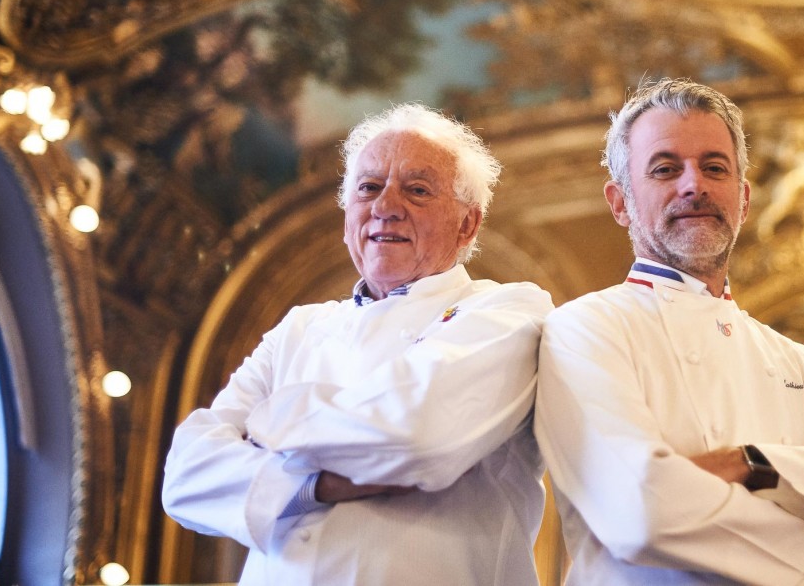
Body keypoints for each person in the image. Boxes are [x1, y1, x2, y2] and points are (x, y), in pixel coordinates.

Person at [534, 78, 804, 585]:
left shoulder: (797, 362)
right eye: (665, 168)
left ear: (742, 200)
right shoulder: (585, 329)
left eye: (713, 167)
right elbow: (640, 512)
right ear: (620, 203)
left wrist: (748, 464)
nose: (693, 184)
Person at [162, 103, 553, 585]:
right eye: (368, 187)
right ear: (348, 213)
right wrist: (317, 485)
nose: (386, 205)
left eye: (417, 189)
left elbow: (417, 437)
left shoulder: (508, 310)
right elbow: (186, 476)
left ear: (467, 224)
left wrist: (270, 426)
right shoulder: (300, 328)